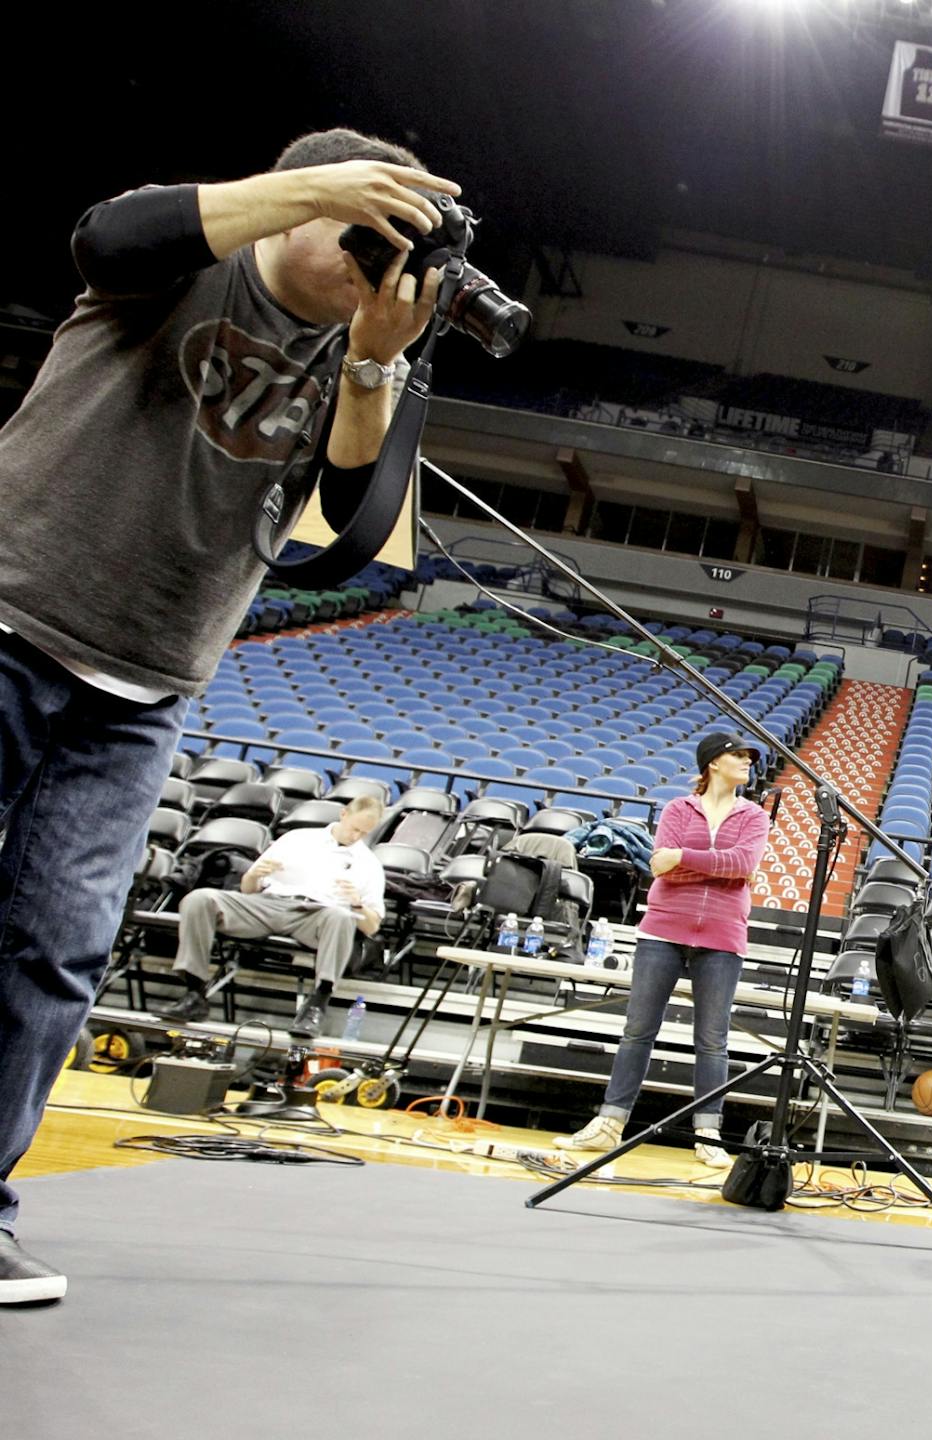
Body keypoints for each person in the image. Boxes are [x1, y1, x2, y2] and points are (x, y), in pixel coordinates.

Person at [0, 129, 462, 1306]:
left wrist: (372, 361)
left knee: (54, 953)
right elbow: (102, 233)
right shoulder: (191, 257)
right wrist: (304, 190)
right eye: (366, 223)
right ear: (304, 198)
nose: (377, 252)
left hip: (150, 681)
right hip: (16, 610)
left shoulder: (364, 346)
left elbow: (350, 510)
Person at [557, 732, 771, 1169]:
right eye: (738, 754)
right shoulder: (677, 809)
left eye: (750, 756)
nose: (747, 761)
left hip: (723, 935)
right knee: (638, 1030)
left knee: (713, 1040)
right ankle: (609, 1124)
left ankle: (709, 1133)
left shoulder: (753, 817)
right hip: (663, 929)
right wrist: (714, 866)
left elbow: (743, 865)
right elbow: (659, 866)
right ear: (713, 762)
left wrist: (684, 859)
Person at [159, 795, 387, 1036]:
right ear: (344, 814)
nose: (356, 836)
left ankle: (317, 1004)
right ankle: (195, 992)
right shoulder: (297, 838)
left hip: (316, 916)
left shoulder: (368, 864)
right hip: (267, 903)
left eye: (364, 833)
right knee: (199, 899)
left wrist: (357, 904)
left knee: (342, 917)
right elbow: (249, 888)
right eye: (355, 829)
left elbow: (371, 927)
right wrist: (254, 874)